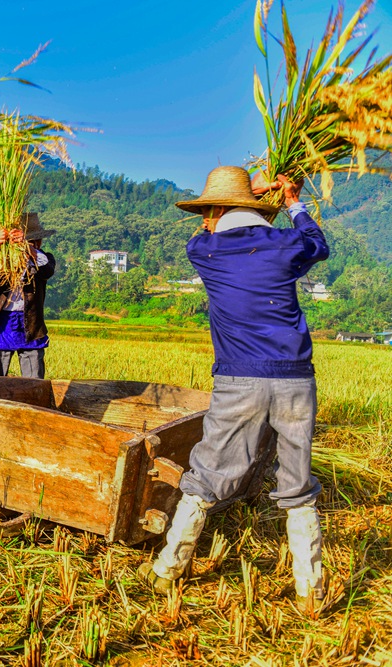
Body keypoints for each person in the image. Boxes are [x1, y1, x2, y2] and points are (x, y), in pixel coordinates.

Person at [138, 166, 330, 613]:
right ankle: (311, 590)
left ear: (218, 210)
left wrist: (247, 203)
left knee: (208, 473)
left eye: (208, 211)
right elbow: (317, 244)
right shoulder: (287, 245)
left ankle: (168, 569)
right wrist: (291, 200)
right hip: (295, 379)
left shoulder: (203, 250)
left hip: (238, 379)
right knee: (298, 481)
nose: (204, 220)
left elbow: (216, 232)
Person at [0, 214, 56, 378]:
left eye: (32, 241)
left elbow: (47, 270)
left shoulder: (41, 259)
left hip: (30, 322)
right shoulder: (3, 259)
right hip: (3, 322)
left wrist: (26, 248)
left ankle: (32, 400)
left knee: (33, 377)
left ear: (37, 243)